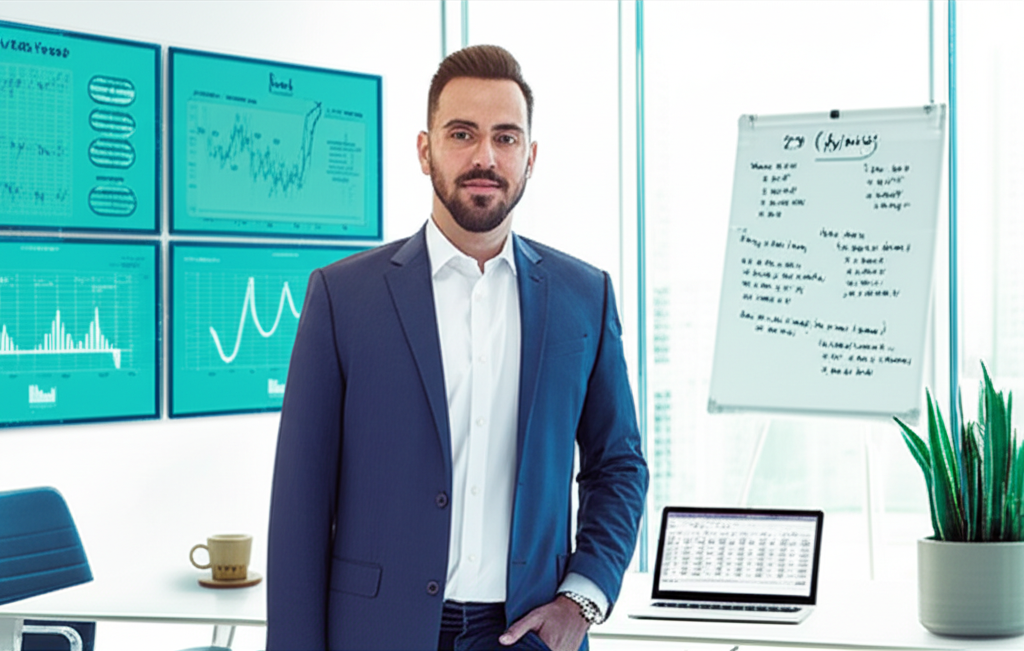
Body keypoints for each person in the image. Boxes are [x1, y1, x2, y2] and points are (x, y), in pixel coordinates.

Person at [266, 44, 648, 651]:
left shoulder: (585, 297)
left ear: (531, 156)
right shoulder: (342, 298)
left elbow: (619, 465)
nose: (484, 158)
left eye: (505, 138)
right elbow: (300, 505)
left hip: (527, 636)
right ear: (425, 149)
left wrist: (582, 597)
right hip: (375, 634)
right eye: (462, 134)